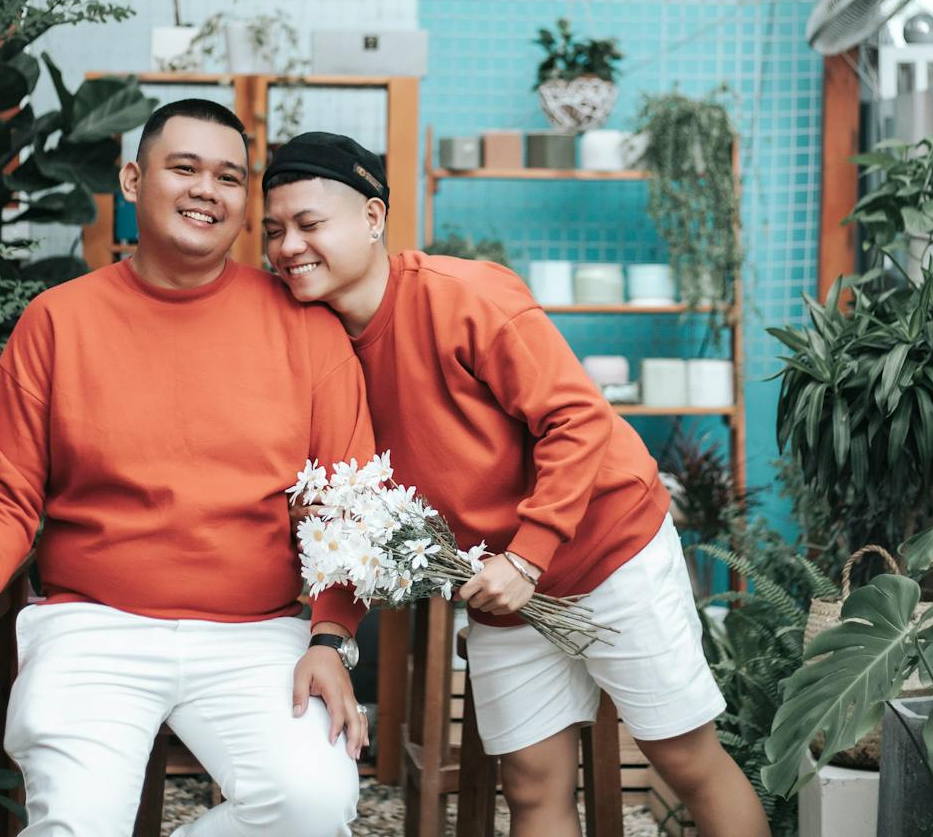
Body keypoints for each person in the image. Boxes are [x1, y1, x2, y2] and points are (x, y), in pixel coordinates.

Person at [260, 132, 768, 837]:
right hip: (498, 586)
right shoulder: (314, 344)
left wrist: (529, 555)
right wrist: (333, 632)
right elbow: (349, 506)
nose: (288, 246)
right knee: (530, 789)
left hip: (606, 547)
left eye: (309, 224)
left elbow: (578, 420)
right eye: (274, 230)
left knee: (682, 758)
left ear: (373, 217)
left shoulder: (461, 296)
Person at [0, 100, 374, 837]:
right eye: (183, 168)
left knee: (314, 804)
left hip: (258, 636)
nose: (205, 190)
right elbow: (5, 487)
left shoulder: (307, 329)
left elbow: (347, 506)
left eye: (228, 178)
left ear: (246, 205)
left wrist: (330, 637)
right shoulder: (58, 321)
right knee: (77, 825)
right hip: (93, 628)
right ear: (131, 179)